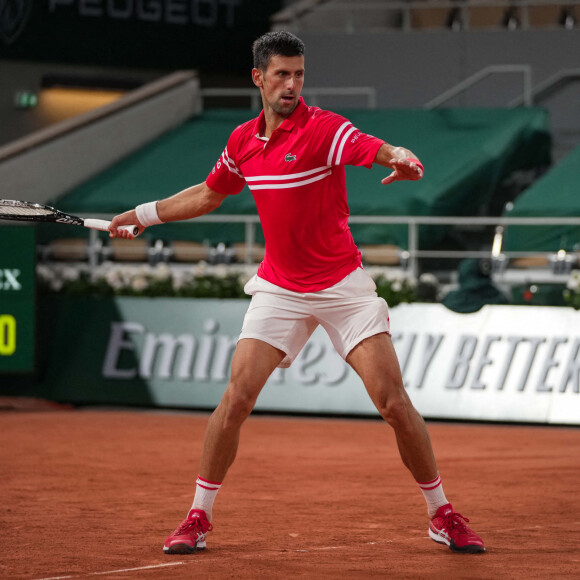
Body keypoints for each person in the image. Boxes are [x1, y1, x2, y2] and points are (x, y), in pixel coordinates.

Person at [109, 31, 485, 555]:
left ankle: (441, 513)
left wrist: (399, 154)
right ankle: (198, 515)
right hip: (280, 288)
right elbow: (208, 193)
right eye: (282, 74)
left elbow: (370, 147)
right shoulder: (242, 140)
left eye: (299, 74)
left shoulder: (323, 128)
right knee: (236, 398)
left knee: (394, 402)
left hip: (342, 286)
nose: (292, 85)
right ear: (258, 78)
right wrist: (143, 216)